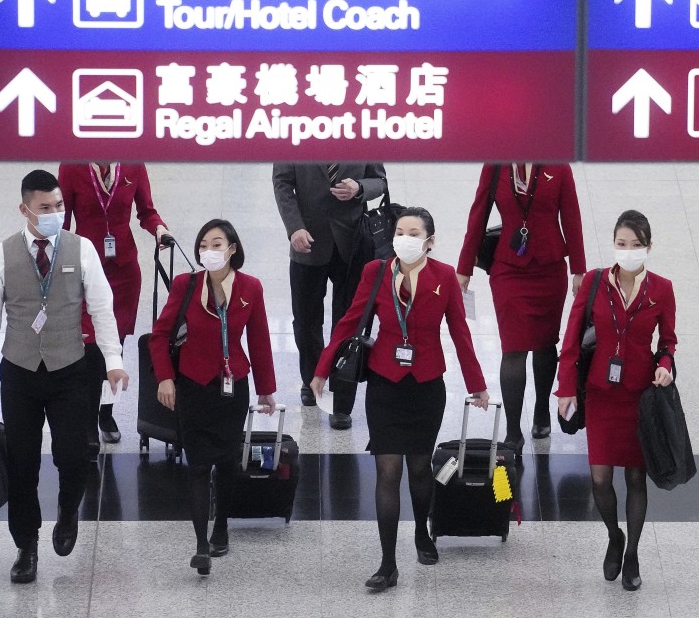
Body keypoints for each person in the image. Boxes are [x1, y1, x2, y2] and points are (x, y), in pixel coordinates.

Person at [310, 207, 489, 592]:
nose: (404, 239)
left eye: (413, 233)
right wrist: (322, 369)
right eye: (400, 232)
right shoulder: (376, 273)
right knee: (388, 471)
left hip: (426, 385)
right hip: (385, 384)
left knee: (421, 469)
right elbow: (349, 321)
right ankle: (387, 563)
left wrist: (477, 384)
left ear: (429, 241)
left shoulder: (443, 278)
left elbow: (460, 334)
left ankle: (423, 532)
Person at [0, 170, 129, 584]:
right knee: (22, 463)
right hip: (20, 371)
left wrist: (113, 358)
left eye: (59, 206)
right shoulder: (1, 255)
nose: (56, 213)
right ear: (25, 210)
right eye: (45, 208)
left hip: (71, 368)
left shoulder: (82, 249)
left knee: (74, 456)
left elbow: (102, 308)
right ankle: (27, 547)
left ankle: (68, 510)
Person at [555, 210, 676, 592]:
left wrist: (667, 365)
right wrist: (565, 389)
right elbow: (571, 340)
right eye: (621, 244)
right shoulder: (593, 283)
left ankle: (633, 553)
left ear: (649, 247)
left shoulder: (662, 289)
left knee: (636, 476)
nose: (628, 251)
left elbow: (668, 342)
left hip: (639, 395)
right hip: (602, 394)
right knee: (600, 478)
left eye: (636, 245)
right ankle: (613, 535)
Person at [149, 219, 277, 576]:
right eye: (203, 245)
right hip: (192, 385)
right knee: (198, 464)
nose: (210, 251)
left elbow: (260, 339)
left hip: (232, 386)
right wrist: (165, 379)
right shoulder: (185, 285)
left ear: (232, 248)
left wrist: (266, 389)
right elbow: (159, 337)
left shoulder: (250, 287)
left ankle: (221, 523)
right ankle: (201, 544)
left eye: (217, 244)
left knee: (226, 462)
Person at [457, 163, 586, 456]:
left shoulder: (559, 166)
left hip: (550, 266)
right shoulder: (495, 166)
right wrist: (464, 268)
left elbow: (572, 215)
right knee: (513, 347)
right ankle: (512, 429)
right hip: (508, 268)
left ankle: (542, 411)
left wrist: (579, 268)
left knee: (544, 343)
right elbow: (477, 216)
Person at [58, 162, 170, 451]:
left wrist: (159, 230)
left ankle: (105, 414)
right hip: (86, 268)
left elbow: (146, 211)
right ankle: (87, 424)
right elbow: (63, 220)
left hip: (124, 272)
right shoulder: (71, 168)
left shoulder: (134, 165)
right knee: (93, 348)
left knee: (115, 349)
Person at [273, 162, 386, 429]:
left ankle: (342, 400)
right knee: (305, 319)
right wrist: (294, 227)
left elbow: (380, 180)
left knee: (350, 323)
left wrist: (359, 188)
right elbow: (282, 184)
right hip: (306, 239)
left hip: (354, 240)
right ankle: (311, 378)